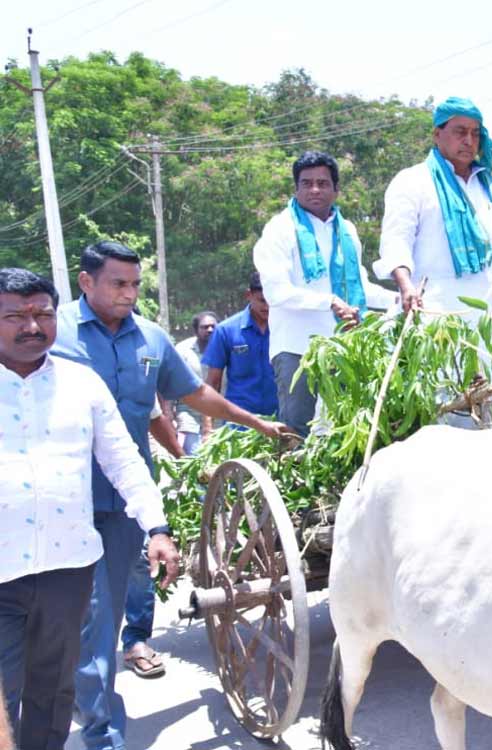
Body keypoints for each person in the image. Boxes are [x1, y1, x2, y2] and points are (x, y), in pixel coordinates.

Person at [52, 241, 291, 750]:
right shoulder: (54, 332)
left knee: (104, 612)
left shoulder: (151, 338)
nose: (129, 293)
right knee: (78, 616)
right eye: (118, 283)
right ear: (86, 282)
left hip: (122, 500)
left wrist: (254, 423)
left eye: (135, 284)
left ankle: (96, 712)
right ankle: (95, 722)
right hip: (59, 499)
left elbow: (189, 395)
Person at [0, 268, 178, 750]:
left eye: (42, 313)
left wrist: (156, 528)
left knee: (52, 692)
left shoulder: (82, 384)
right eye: (15, 315)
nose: (32, 326)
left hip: (68, 568)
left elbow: (124, 459)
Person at [374, 97, 492, 379]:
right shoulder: (413, 181)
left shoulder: (491, 190)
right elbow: (396, 241)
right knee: (440, 403)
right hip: (433, 315)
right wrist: (405, 285)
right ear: (437, 135)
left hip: (486, 317)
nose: (469, 141)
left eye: (475, 133)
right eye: (460, 132)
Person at [254, 151, 397, 437]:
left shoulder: (347, 231)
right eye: (306, 183)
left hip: (344, 346)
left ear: (336, 190)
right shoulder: (280, 229)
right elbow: (276, 292)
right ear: (296, 189)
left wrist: (395, 299)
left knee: (349, 429)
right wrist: (329, 301)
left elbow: (358, 288)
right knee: (298, 432)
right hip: (296, 349)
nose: (315, 189)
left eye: (323, 183)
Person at [203, 273, 278, 418]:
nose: (267, 307)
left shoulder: (286, 329)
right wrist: (207, 426)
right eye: (262, 301)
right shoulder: (226, 330)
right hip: (240, 422)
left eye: (272, 301)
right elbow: (213, 382)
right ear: (248, 295)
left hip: (280, 419)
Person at [174, 311, 216, 453]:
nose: (210, 330)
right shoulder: (182, 350)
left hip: (219, 413)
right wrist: (168, 414)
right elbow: (170, 380)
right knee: (194, 455)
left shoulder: (225, 348)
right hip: (189, 412)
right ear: (196, 330)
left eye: (213, 326)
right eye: (205, 327)